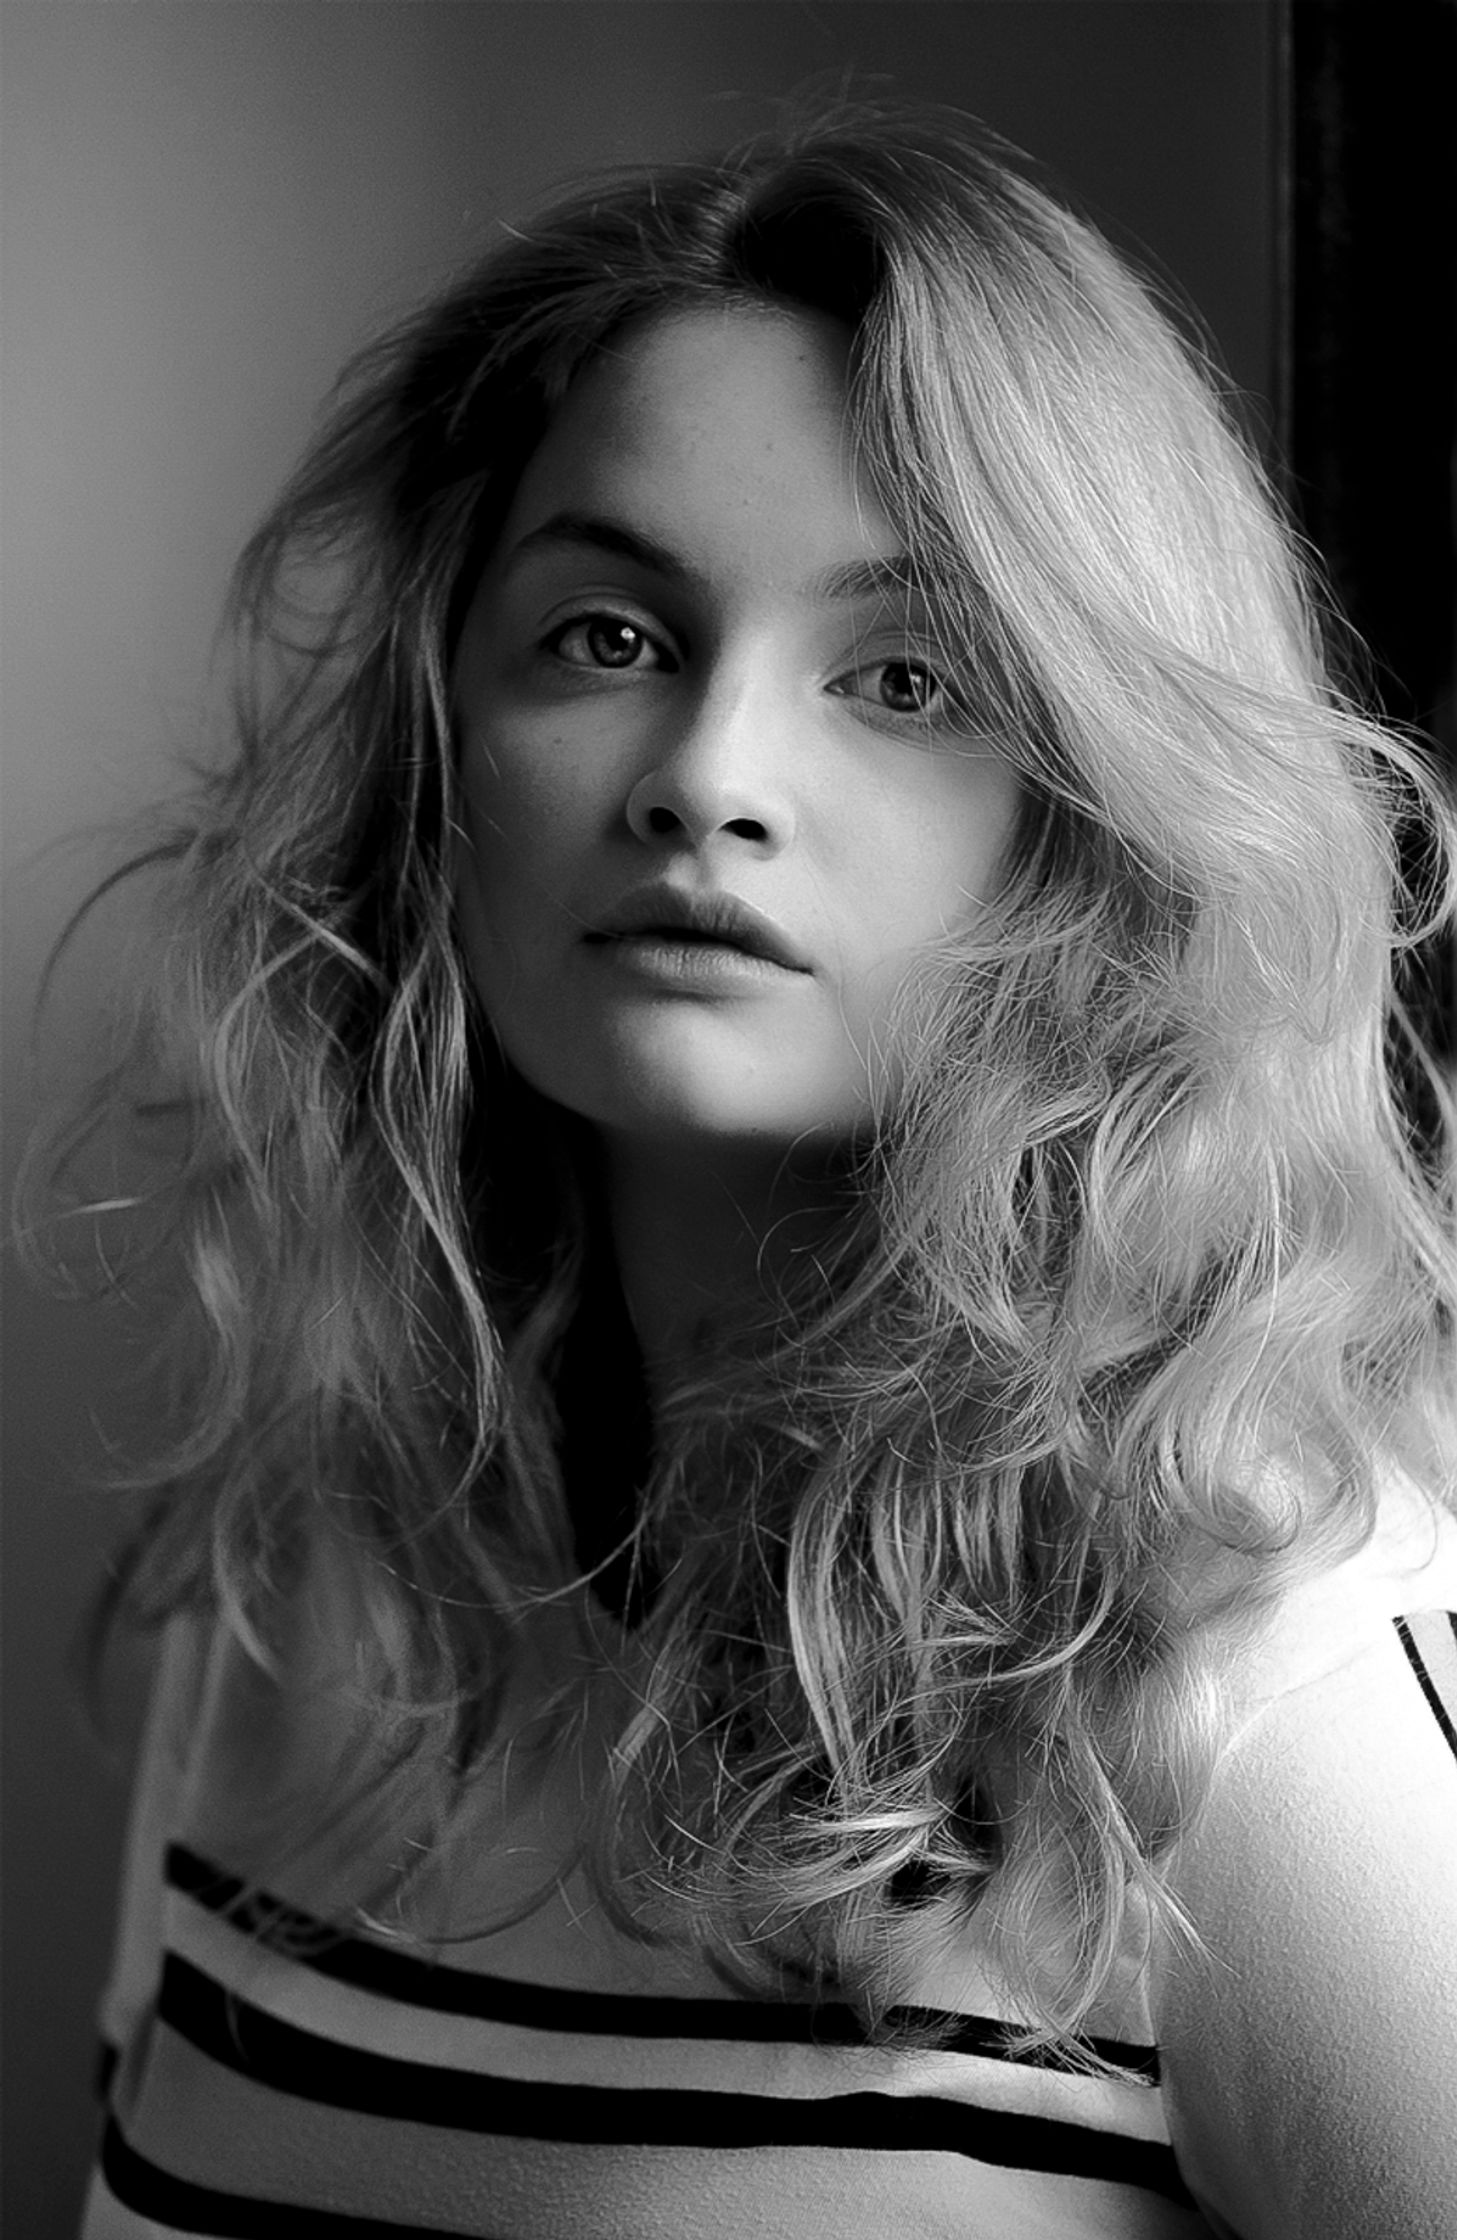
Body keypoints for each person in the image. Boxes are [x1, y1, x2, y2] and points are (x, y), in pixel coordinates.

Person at [47, 103, 1457, 2239]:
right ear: (438, 744)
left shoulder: (1266, 1700)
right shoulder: (308, 1574)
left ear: (1093, 818)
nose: (709, 778)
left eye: (903, 676)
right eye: (607, 637)